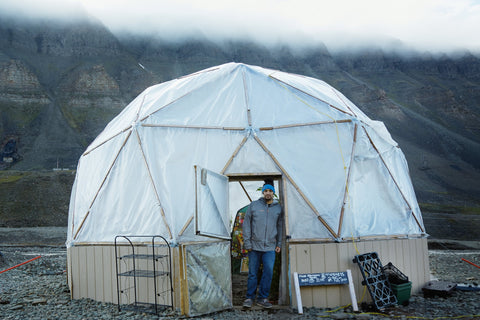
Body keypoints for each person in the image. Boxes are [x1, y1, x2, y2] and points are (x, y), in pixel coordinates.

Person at [242, 181, 283, 309]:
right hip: (254, 246)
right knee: (253, 273)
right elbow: (246, 225)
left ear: (273, 193)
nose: (268, 193)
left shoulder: (278, 208)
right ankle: (249, 298)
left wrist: (279, 243)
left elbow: (280, 226)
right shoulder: (254, 206)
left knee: (268, 272)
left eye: (270, 191)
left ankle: (262, 298)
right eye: (266, 191)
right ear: (263, 192)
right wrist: (247, 242)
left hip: (270, 246)